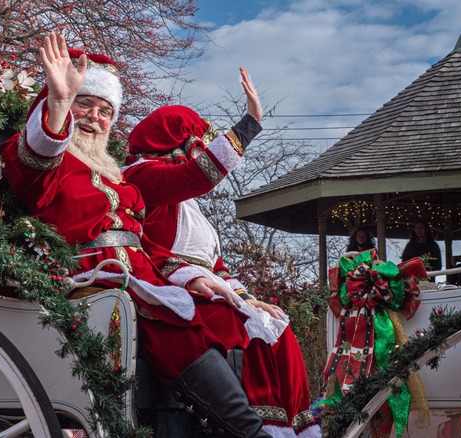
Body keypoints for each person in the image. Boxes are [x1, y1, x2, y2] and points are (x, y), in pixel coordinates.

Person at [0, 32, 270, 436]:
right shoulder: (49, 162)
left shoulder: (116, 174)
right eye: (84, 104)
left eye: (105, 110)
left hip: (137, 273)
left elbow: (140, 242)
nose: (94, 117)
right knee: (174, 325)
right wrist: (58, 103)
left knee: (209, 319)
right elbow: (33, 164)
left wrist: (196, 276)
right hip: (88, 277)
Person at [124, 103, 320, 437]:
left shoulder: (188, 205)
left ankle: (287, 429)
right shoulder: (141, 175)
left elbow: (214, 262)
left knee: (274, 323)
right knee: (239, 327)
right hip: (168, 286)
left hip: (207, 287)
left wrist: (246, 296)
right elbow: (196, 178)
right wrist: (248, 127)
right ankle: (253, 429)